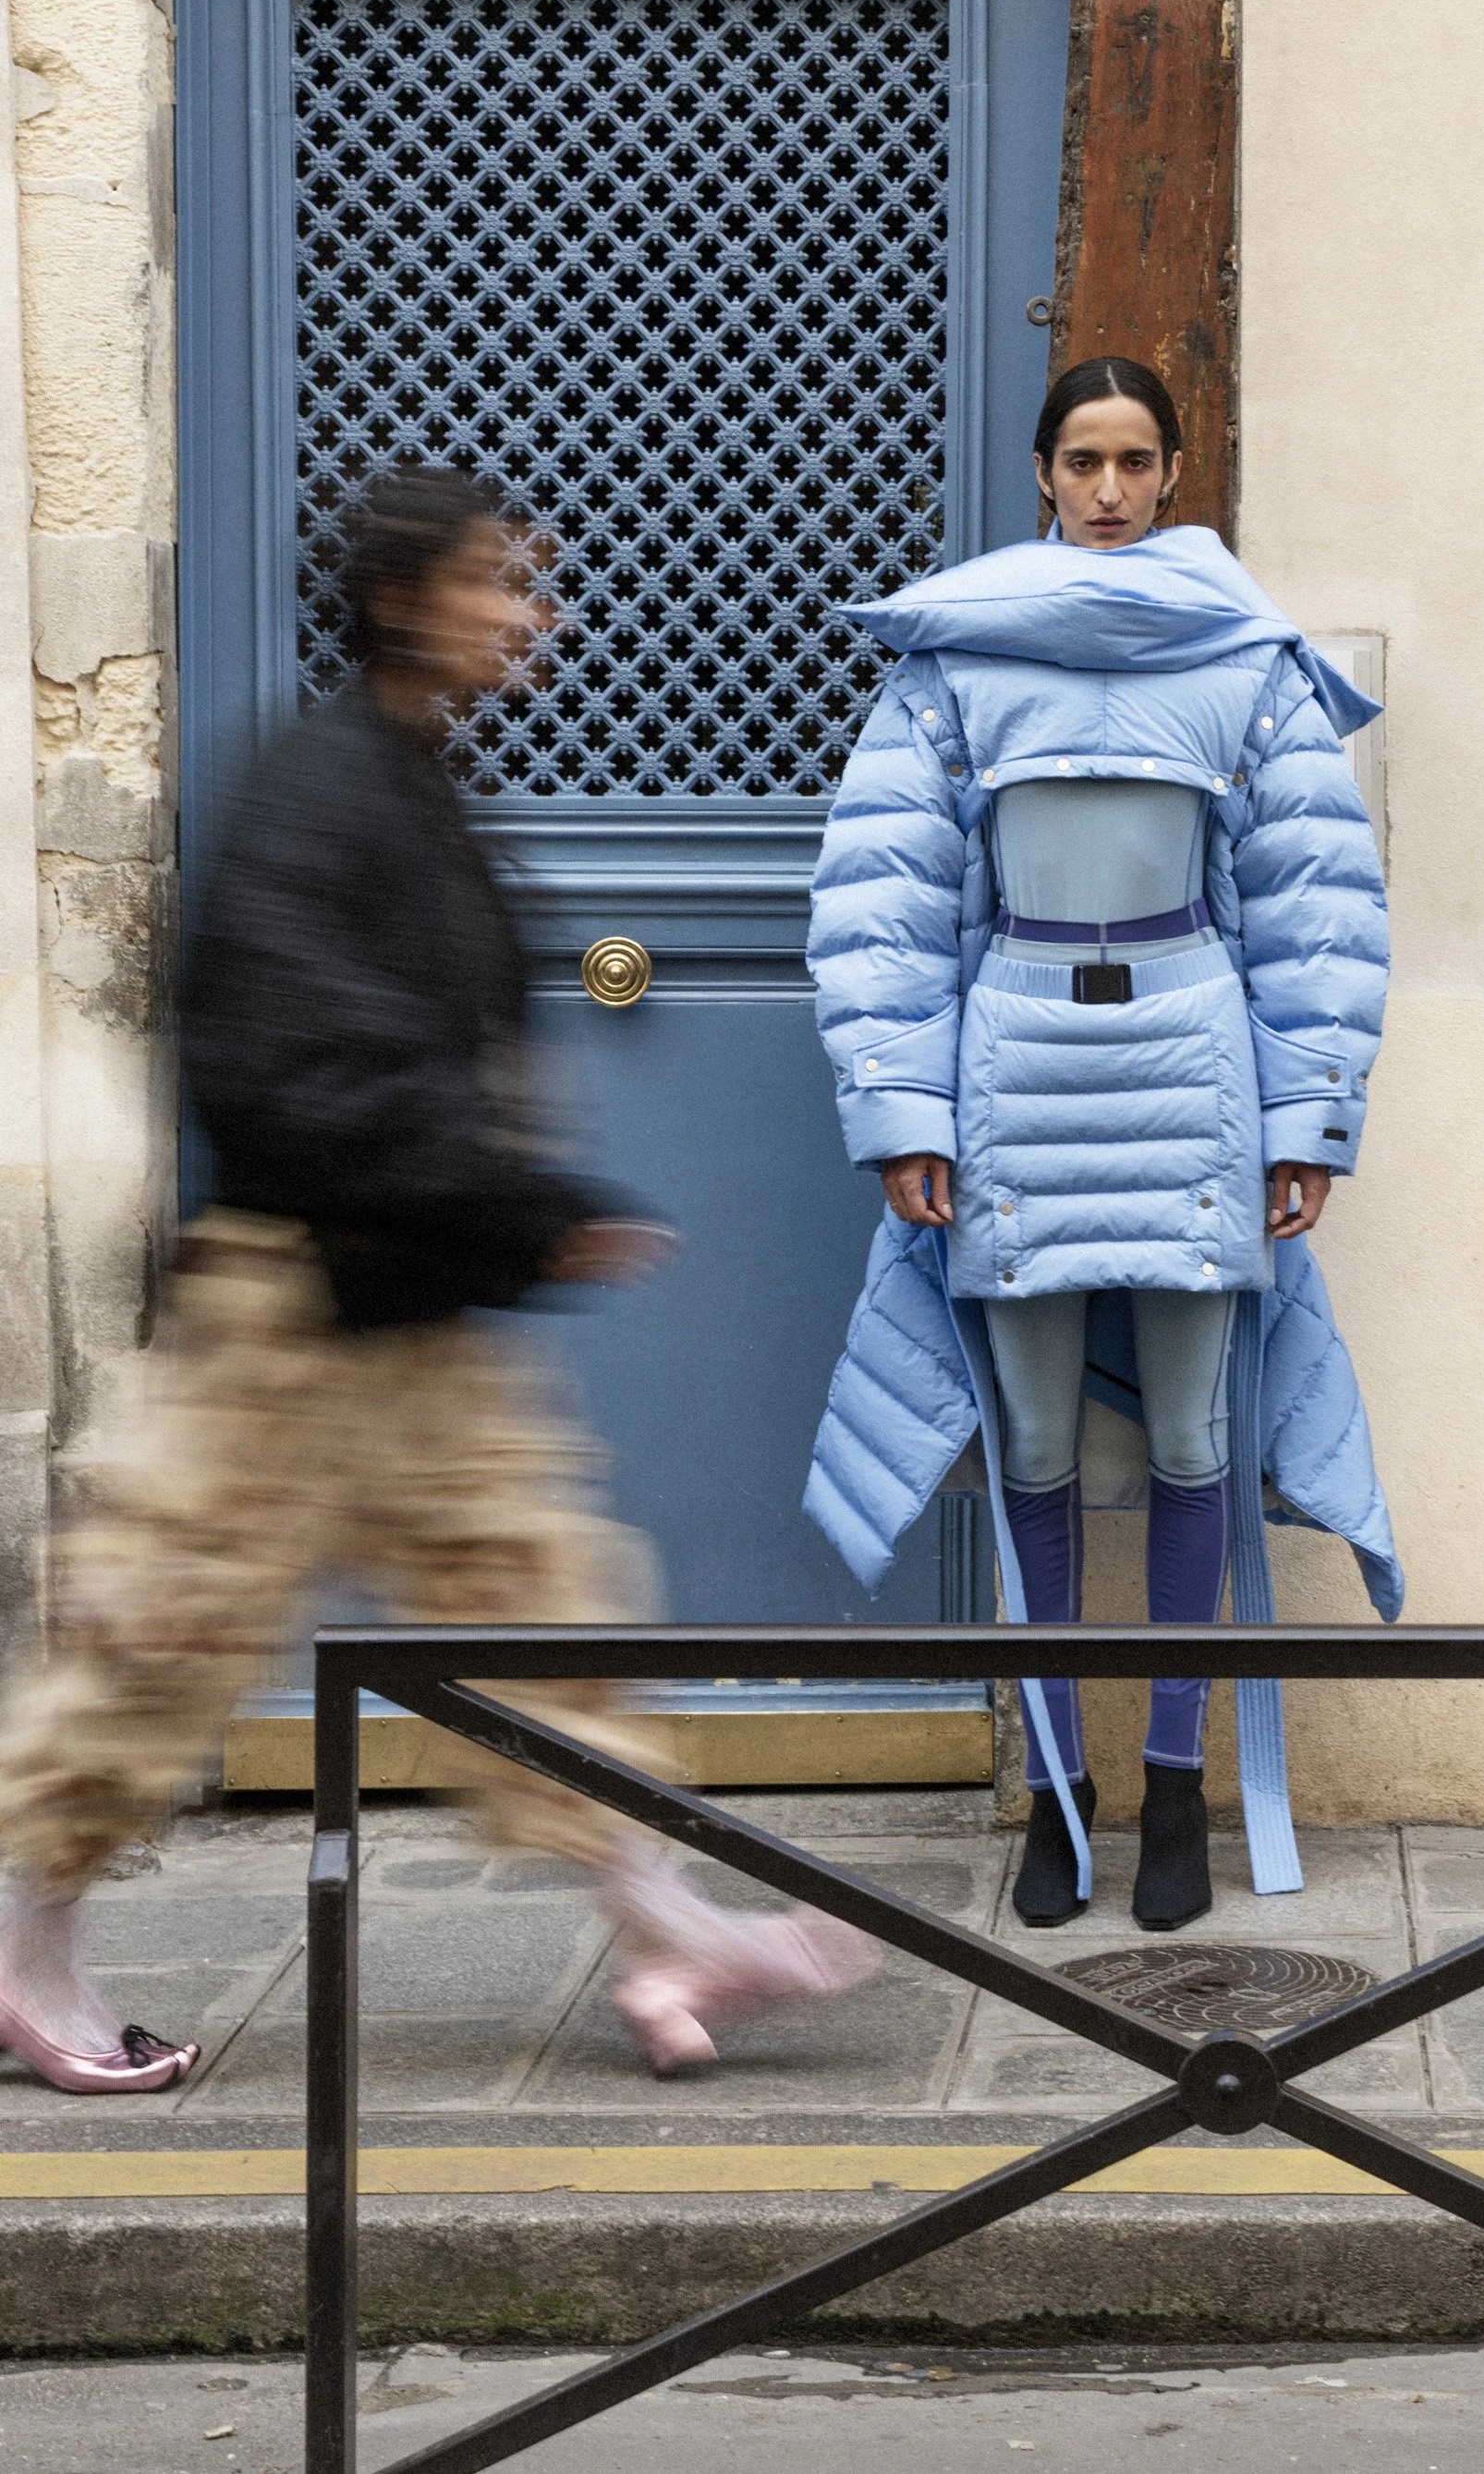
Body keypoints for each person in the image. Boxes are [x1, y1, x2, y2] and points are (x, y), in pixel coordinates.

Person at [0, 465, 877, 2092]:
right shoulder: (318, 784)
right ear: (405, 596)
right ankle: (25, 1964)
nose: (525, 616)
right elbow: (287, 1065)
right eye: (496, 583)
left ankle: (661, 1922)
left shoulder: (407, 777)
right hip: (286, 1323)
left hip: (410, 1314)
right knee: (158, 1644)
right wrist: (519, 1203)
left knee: (540, 1605)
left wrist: (507, 1215)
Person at [803, 359, 1401, 1933]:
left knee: (1202, 1443)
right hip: (1013, 1067)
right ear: (1044, 473)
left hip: (1196, 1062)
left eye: (1140, 460)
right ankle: (1063, 1799)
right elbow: (883, 908)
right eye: (1086, 459)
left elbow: (1316, 912)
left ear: (1177, 470)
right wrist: (901, 1115)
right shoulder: (953, 666)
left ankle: (1180, 1788)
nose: (1115, 489)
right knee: (1041, 1452)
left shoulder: (1251, 668)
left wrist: (1312, 1115)